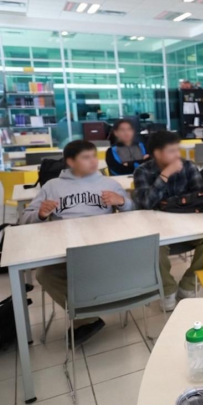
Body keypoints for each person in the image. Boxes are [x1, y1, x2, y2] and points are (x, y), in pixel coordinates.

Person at [21, 140, 134, 345]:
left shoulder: (109, 183)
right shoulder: (52, 186)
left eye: (94, 156)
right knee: (44, 274)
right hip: (67, 249)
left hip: (103, 248)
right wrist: (40, 214)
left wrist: (122, 202)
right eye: (86, 157)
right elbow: (24, 219)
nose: (93, 161)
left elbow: (133, 211)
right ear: (71, 162)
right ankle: (87, 318)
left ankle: (86, 316)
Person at [132, 131, 203, 311]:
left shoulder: (188, 167)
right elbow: (146, 204)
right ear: (157, 153)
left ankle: (188, 284)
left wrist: (165, 203)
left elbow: (200, 196)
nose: (177, 155)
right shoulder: (142, 171)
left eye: (177, 150)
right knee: (153, 247)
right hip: (158, 227)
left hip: (189, 224)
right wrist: (165, 175)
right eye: (171, 151)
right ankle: (167, 289)